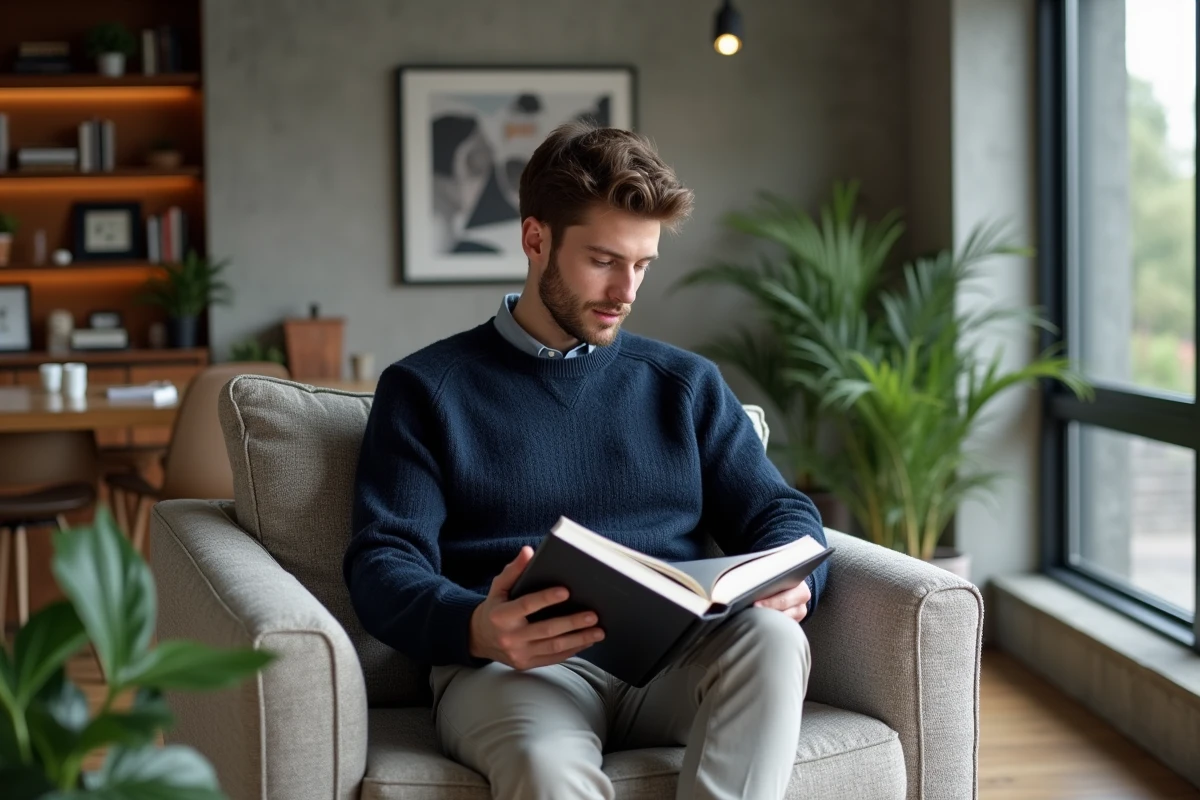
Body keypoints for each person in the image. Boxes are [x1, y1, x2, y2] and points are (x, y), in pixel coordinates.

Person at [345, 120, 829, 800]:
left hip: (674, 663)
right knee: (546, 771)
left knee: (775, 643)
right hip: (514, 670)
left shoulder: (685, 385)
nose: (626, 291)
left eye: (643, 264)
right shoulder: (427, 390)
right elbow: (382, 561)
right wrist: (474, 627)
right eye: (604, 261)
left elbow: (783, 511)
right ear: (535, 239)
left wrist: (790, 579)